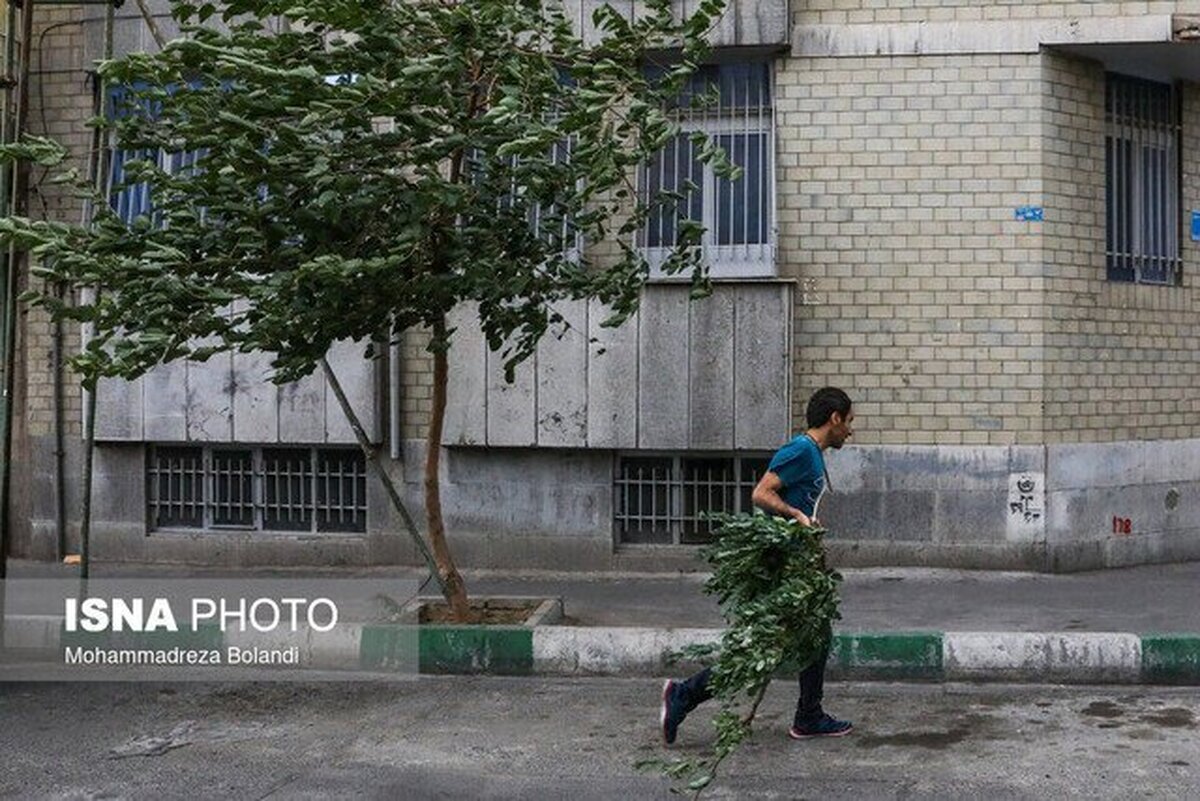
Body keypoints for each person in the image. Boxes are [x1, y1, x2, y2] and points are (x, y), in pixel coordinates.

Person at [660, 386, 855, 744]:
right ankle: (684, 694)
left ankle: (809, 715)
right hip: (786, 568)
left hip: (800, 565)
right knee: (763, 648)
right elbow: (762, 493)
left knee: (816, 635)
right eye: (849, 422)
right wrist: (795, 514)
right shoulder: (801, 450)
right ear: (835, 418)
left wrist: (809, 534)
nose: (850, 431)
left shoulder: (812, 453)